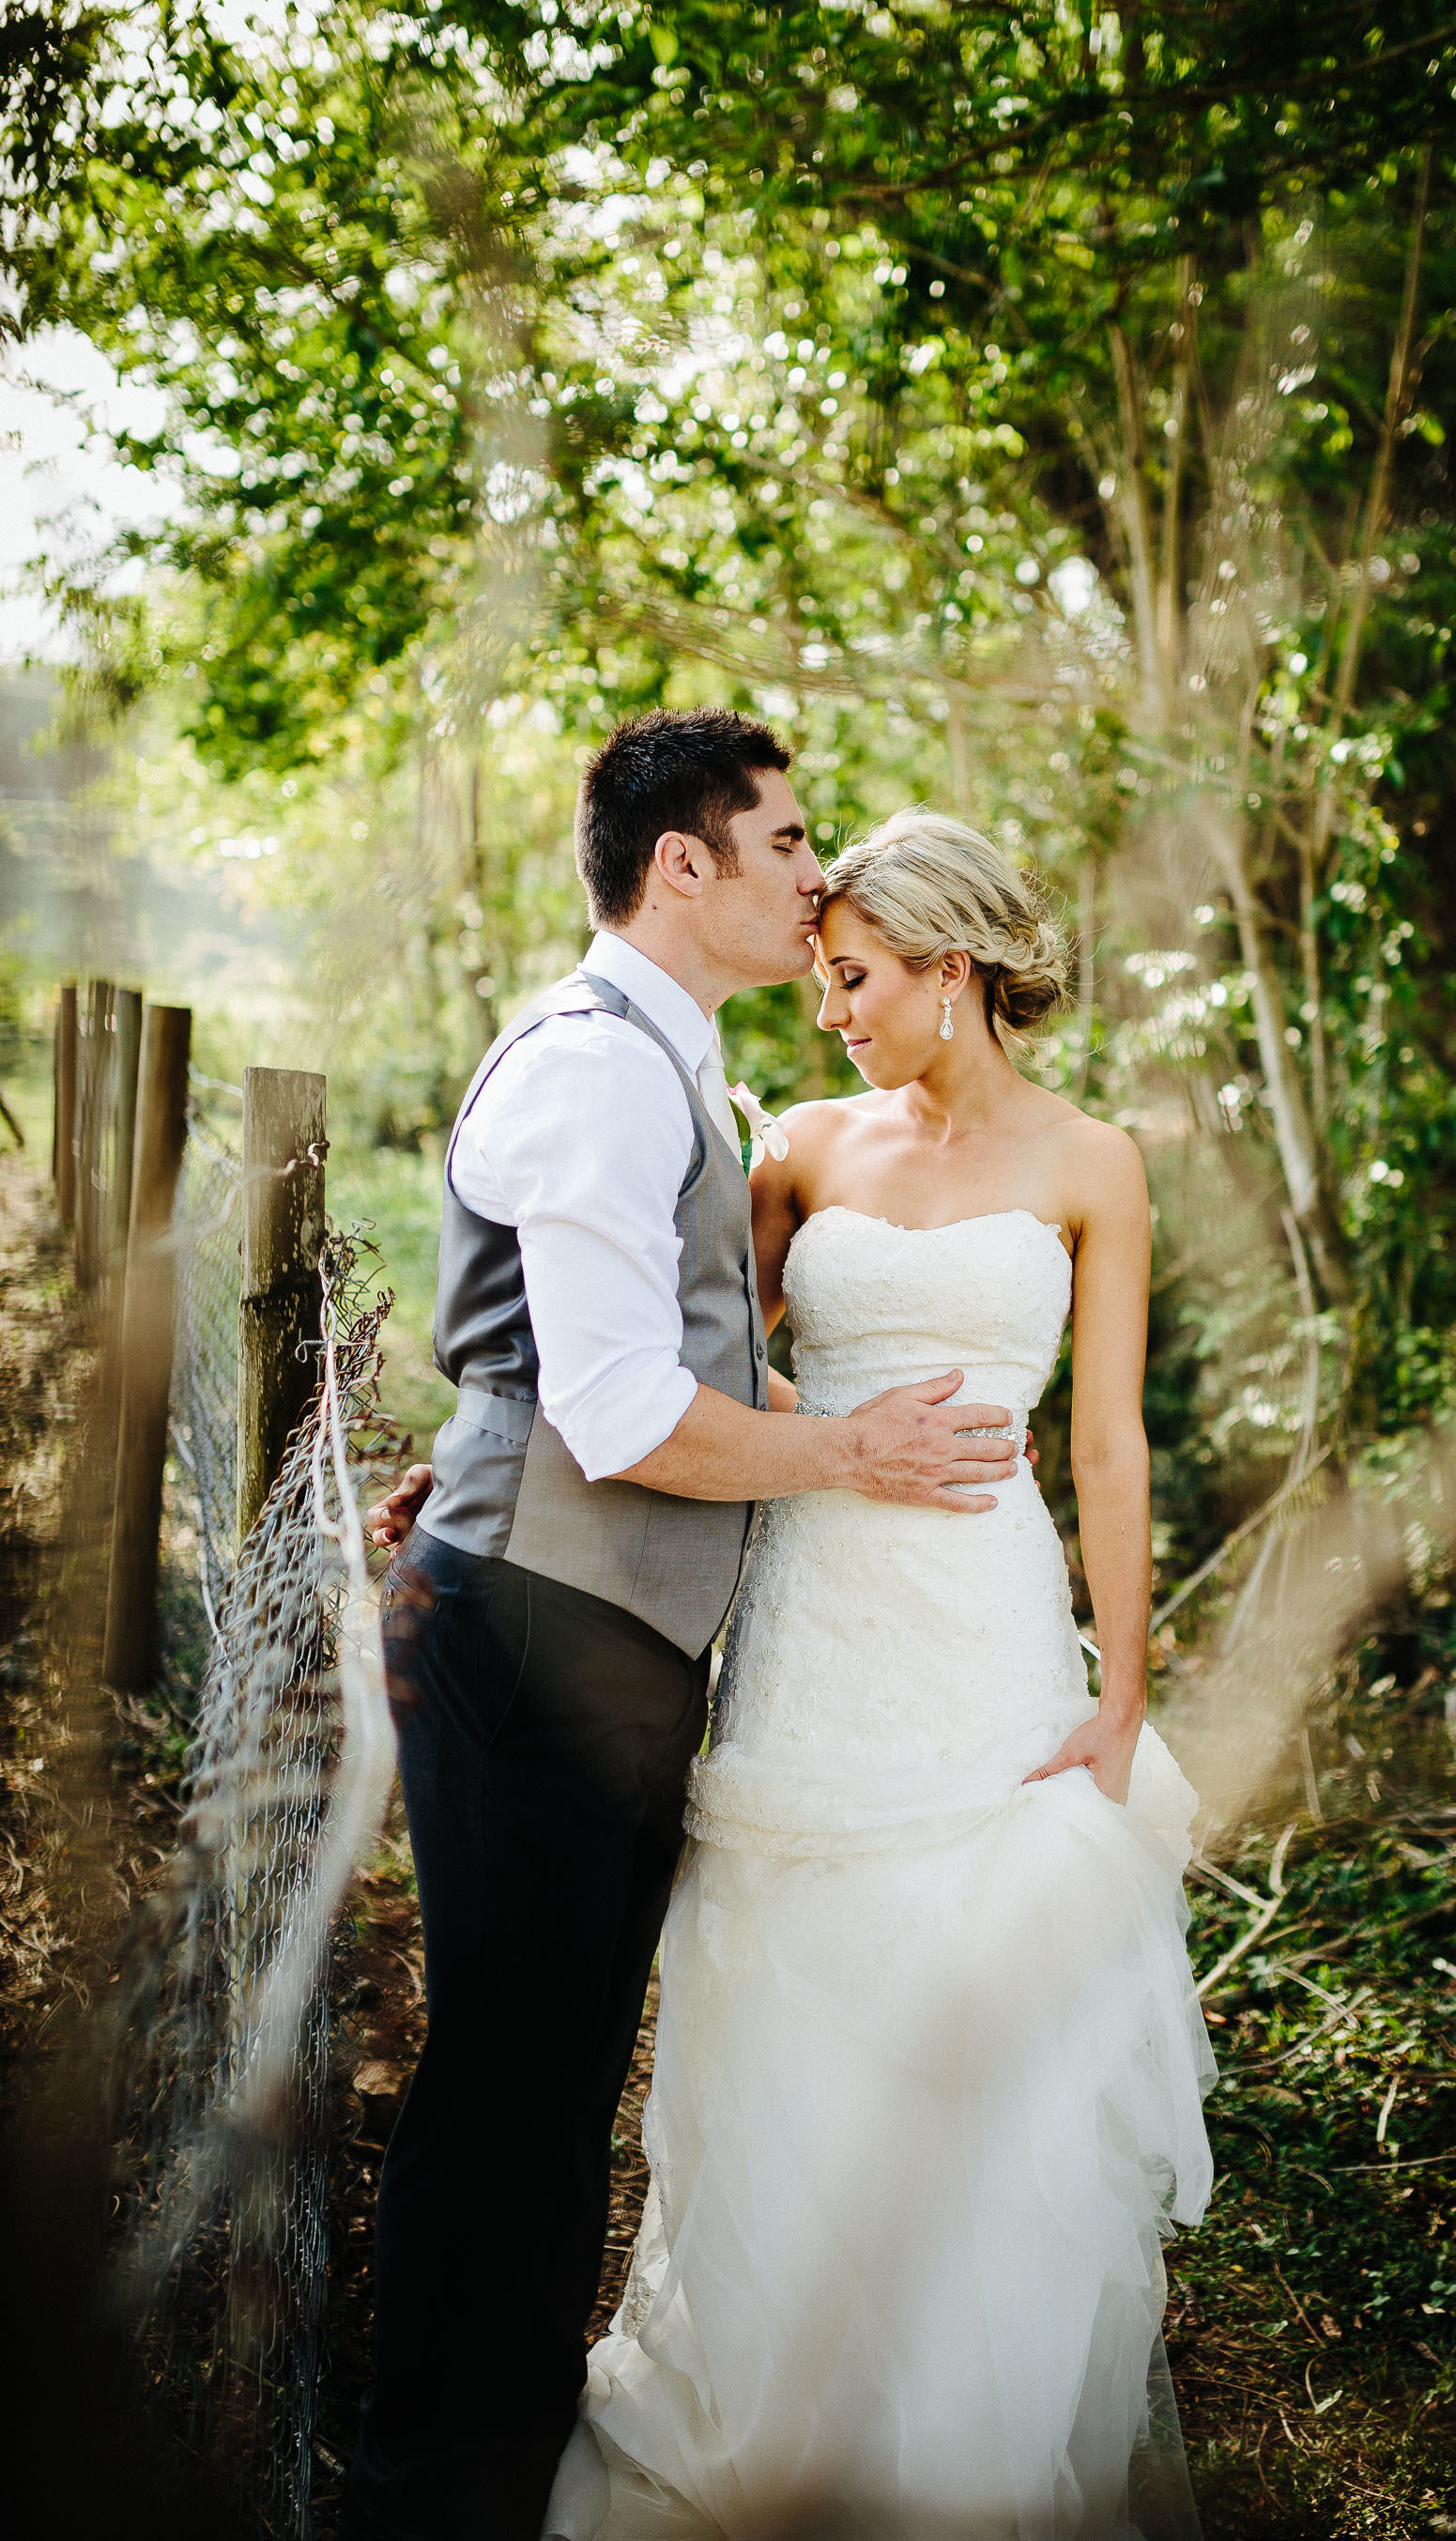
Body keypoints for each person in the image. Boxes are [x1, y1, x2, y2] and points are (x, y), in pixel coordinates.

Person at [375, 808, 1217, 2537]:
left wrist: (1118, 1692)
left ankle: (958, 2434)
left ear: (951, 972)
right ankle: (766, 2397)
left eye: (852, 977)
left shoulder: (1094, 1164)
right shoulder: (800, 1153)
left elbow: (1111, 1444)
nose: (827, 1009)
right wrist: (492, 1450)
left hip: (984, 1626)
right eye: (821, 972)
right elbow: (681, 1374)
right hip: (810, 1619)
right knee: (787, 1995)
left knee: (977, 2006)